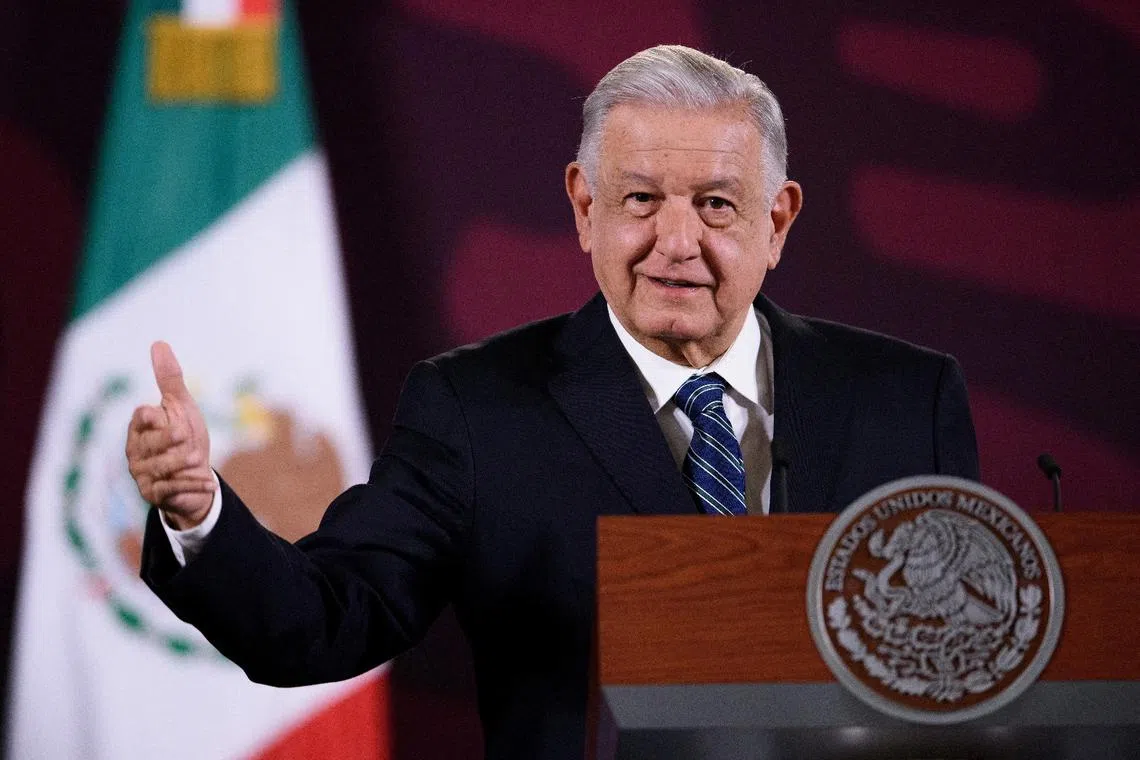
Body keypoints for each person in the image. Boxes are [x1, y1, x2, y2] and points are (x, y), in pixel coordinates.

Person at [127, 45, 979, 760]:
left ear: (778, 222)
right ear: (585, 207)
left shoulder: (904, 401)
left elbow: (982, 668)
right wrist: (200, 515)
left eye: (716, 206)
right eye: (641, 200)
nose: (676, 244)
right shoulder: (475, 411)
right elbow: (321, 622)